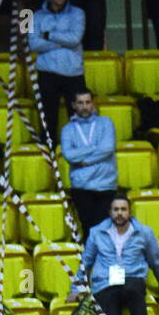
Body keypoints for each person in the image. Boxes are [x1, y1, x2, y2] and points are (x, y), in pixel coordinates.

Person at [69, 191, 159, 315]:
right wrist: (75, 289)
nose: (120, 213)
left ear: (129, 212)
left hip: (132, 277)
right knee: (108, 294)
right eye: (116, 209)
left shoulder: (144, 233)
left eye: (123, 209)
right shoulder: (96, 232)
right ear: (110, 212)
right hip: (105, 280)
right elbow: (86, 263)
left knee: (134, 288)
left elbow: (156, 262)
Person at [29, 0, 86, 145]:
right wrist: (63, 42)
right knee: (47, 118)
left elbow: (75, 39)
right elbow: (32, 44)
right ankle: (48, 154)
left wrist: (49, 35)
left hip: (73, 73)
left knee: (78, 117)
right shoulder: (33, 15)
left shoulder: (79, 13)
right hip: (47, 73)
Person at [61, 88, 118, 239]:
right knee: (88, 230)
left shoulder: (106, 123)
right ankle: (90, 262)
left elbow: (108, 148)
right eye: (80, 103)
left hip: (105, 185)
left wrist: (85, 160)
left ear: (93, 103)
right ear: (73, 105)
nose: (84, 106)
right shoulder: (67, 130)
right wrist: (94, 148)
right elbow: (69, 155)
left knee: (103, 230)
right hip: (81, 187)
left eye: (88, 102)